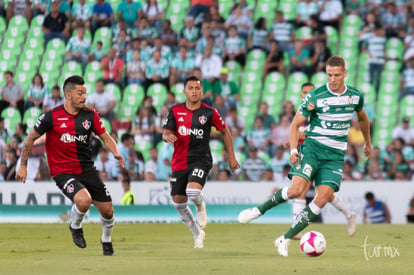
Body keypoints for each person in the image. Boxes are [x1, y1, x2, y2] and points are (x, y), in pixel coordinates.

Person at [238, 56, 372, 257]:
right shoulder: (315, 96)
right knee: (295, 191)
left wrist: (367, 143)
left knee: (323, 198)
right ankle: (258, 210)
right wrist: (293, 151)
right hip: (312, 149)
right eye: (329, 75)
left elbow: (362, 118)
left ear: (345, 73)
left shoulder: (355, 96)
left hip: (335, 156)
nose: (333, 79)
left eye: (337, 75)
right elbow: (294, 125)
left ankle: (285, 238)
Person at [16, 75, 125, 256]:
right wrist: (23, 165)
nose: (84, 97)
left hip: (87, 169)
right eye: (80, 93)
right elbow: (29, 139)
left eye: (85, 93)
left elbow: (105, 137)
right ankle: (75, 226)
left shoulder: (90, 116)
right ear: (68, 95)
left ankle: (106, 239)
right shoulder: (50, 117)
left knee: (108, 211)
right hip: (62, 171)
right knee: (83, 200)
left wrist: (116, 152)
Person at [162, 75, 239, 248]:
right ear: (184, 91)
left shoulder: (209, 112)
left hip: (201, 159)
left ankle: (200, 205)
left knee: (193, 193)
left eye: (197, 88)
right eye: (191, 88)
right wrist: (167, 137)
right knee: (178, 203)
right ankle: (197, 233)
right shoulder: (174, 111)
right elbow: (165, 133)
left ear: (201, 91)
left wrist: (232, 157)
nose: (194, 92)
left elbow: (225, 131)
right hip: (179, 162)